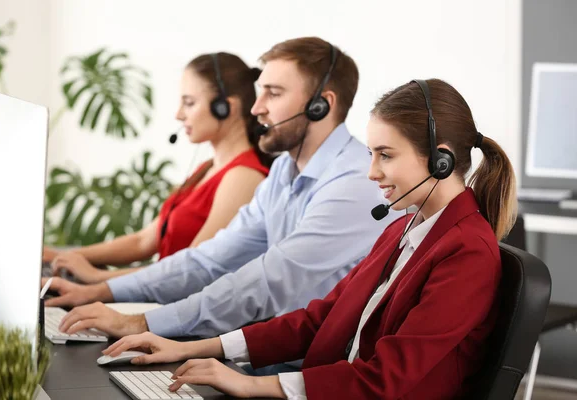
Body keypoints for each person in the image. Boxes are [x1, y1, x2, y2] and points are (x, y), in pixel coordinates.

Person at [103, 78, 517, 399]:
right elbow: (320, 317)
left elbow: (386, 380)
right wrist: (197, 348)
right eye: (371, 153)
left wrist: (253, 386)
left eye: (385, 155)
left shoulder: (467, 252)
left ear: (440, 160)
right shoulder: (404, 228)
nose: (371, 172)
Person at [42, 37, 401, 340]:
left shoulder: (356, 181)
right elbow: (209, 259)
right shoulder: (282, 175)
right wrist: (101, 292)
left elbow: (267, 280)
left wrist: (141, 323)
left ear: (322, 104)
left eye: (273, 94)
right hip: (266, 358)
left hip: (312, 373)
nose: (257, 108)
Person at [43, 52, 272, 284]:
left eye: (189, 103)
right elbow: (144, 241)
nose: (179, 114)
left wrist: (99, 278)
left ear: (225, 107)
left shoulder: (242, 177)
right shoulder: (208, 168)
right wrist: (64, 257)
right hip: (161, 301)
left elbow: (192, 270)